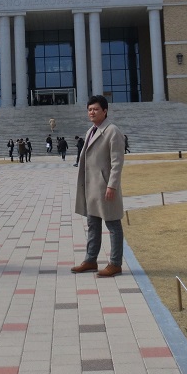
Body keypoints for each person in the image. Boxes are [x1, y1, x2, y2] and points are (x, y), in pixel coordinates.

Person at [73, 95, 125, 278]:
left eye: (95, 109)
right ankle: (90, 260)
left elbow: (117, 162)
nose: (92, 112)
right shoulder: (91, 131)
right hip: (91, 188)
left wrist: (112, 186)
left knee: (113, 225)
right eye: (89, 109)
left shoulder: (112, 131)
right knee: (93, 224)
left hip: (105, 188)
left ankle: (115, 263)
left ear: (105, 111)